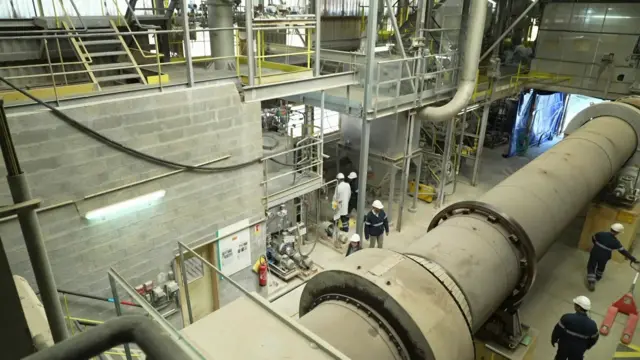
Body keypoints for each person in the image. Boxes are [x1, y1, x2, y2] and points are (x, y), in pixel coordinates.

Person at [587, 223, 638, 291]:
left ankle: (591, 282)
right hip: (604, 256)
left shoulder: (601, 234)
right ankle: (598, 277)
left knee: (591, 266)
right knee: (601, 266)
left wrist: (596, 245)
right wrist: (633, 259)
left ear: (611, 228)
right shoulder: (616, 242)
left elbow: (593, 238)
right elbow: (623, 251)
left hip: (595, 253)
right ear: (618, 233)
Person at [551, 296, 599, 360]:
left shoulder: (567, 318)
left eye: (575, 305)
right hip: (579, 350)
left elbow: (557, 330)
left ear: (578, 307)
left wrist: (554, 339)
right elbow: (593, 339)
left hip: (564, 346)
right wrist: (587, 346)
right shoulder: (592, 325)